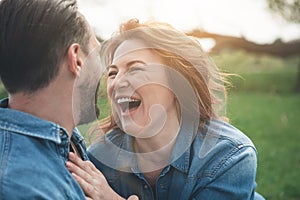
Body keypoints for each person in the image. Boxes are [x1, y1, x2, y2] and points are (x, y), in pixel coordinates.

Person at [66, 19, 265, 200]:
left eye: (135, 68)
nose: (116, 82)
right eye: (112, 73)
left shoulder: (228, 157)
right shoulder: (99, 162)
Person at [0, 0, 138, 199]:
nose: (105, 73)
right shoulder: (24, 187)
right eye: (96, 54)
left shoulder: (65, 143)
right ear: (77, 59)